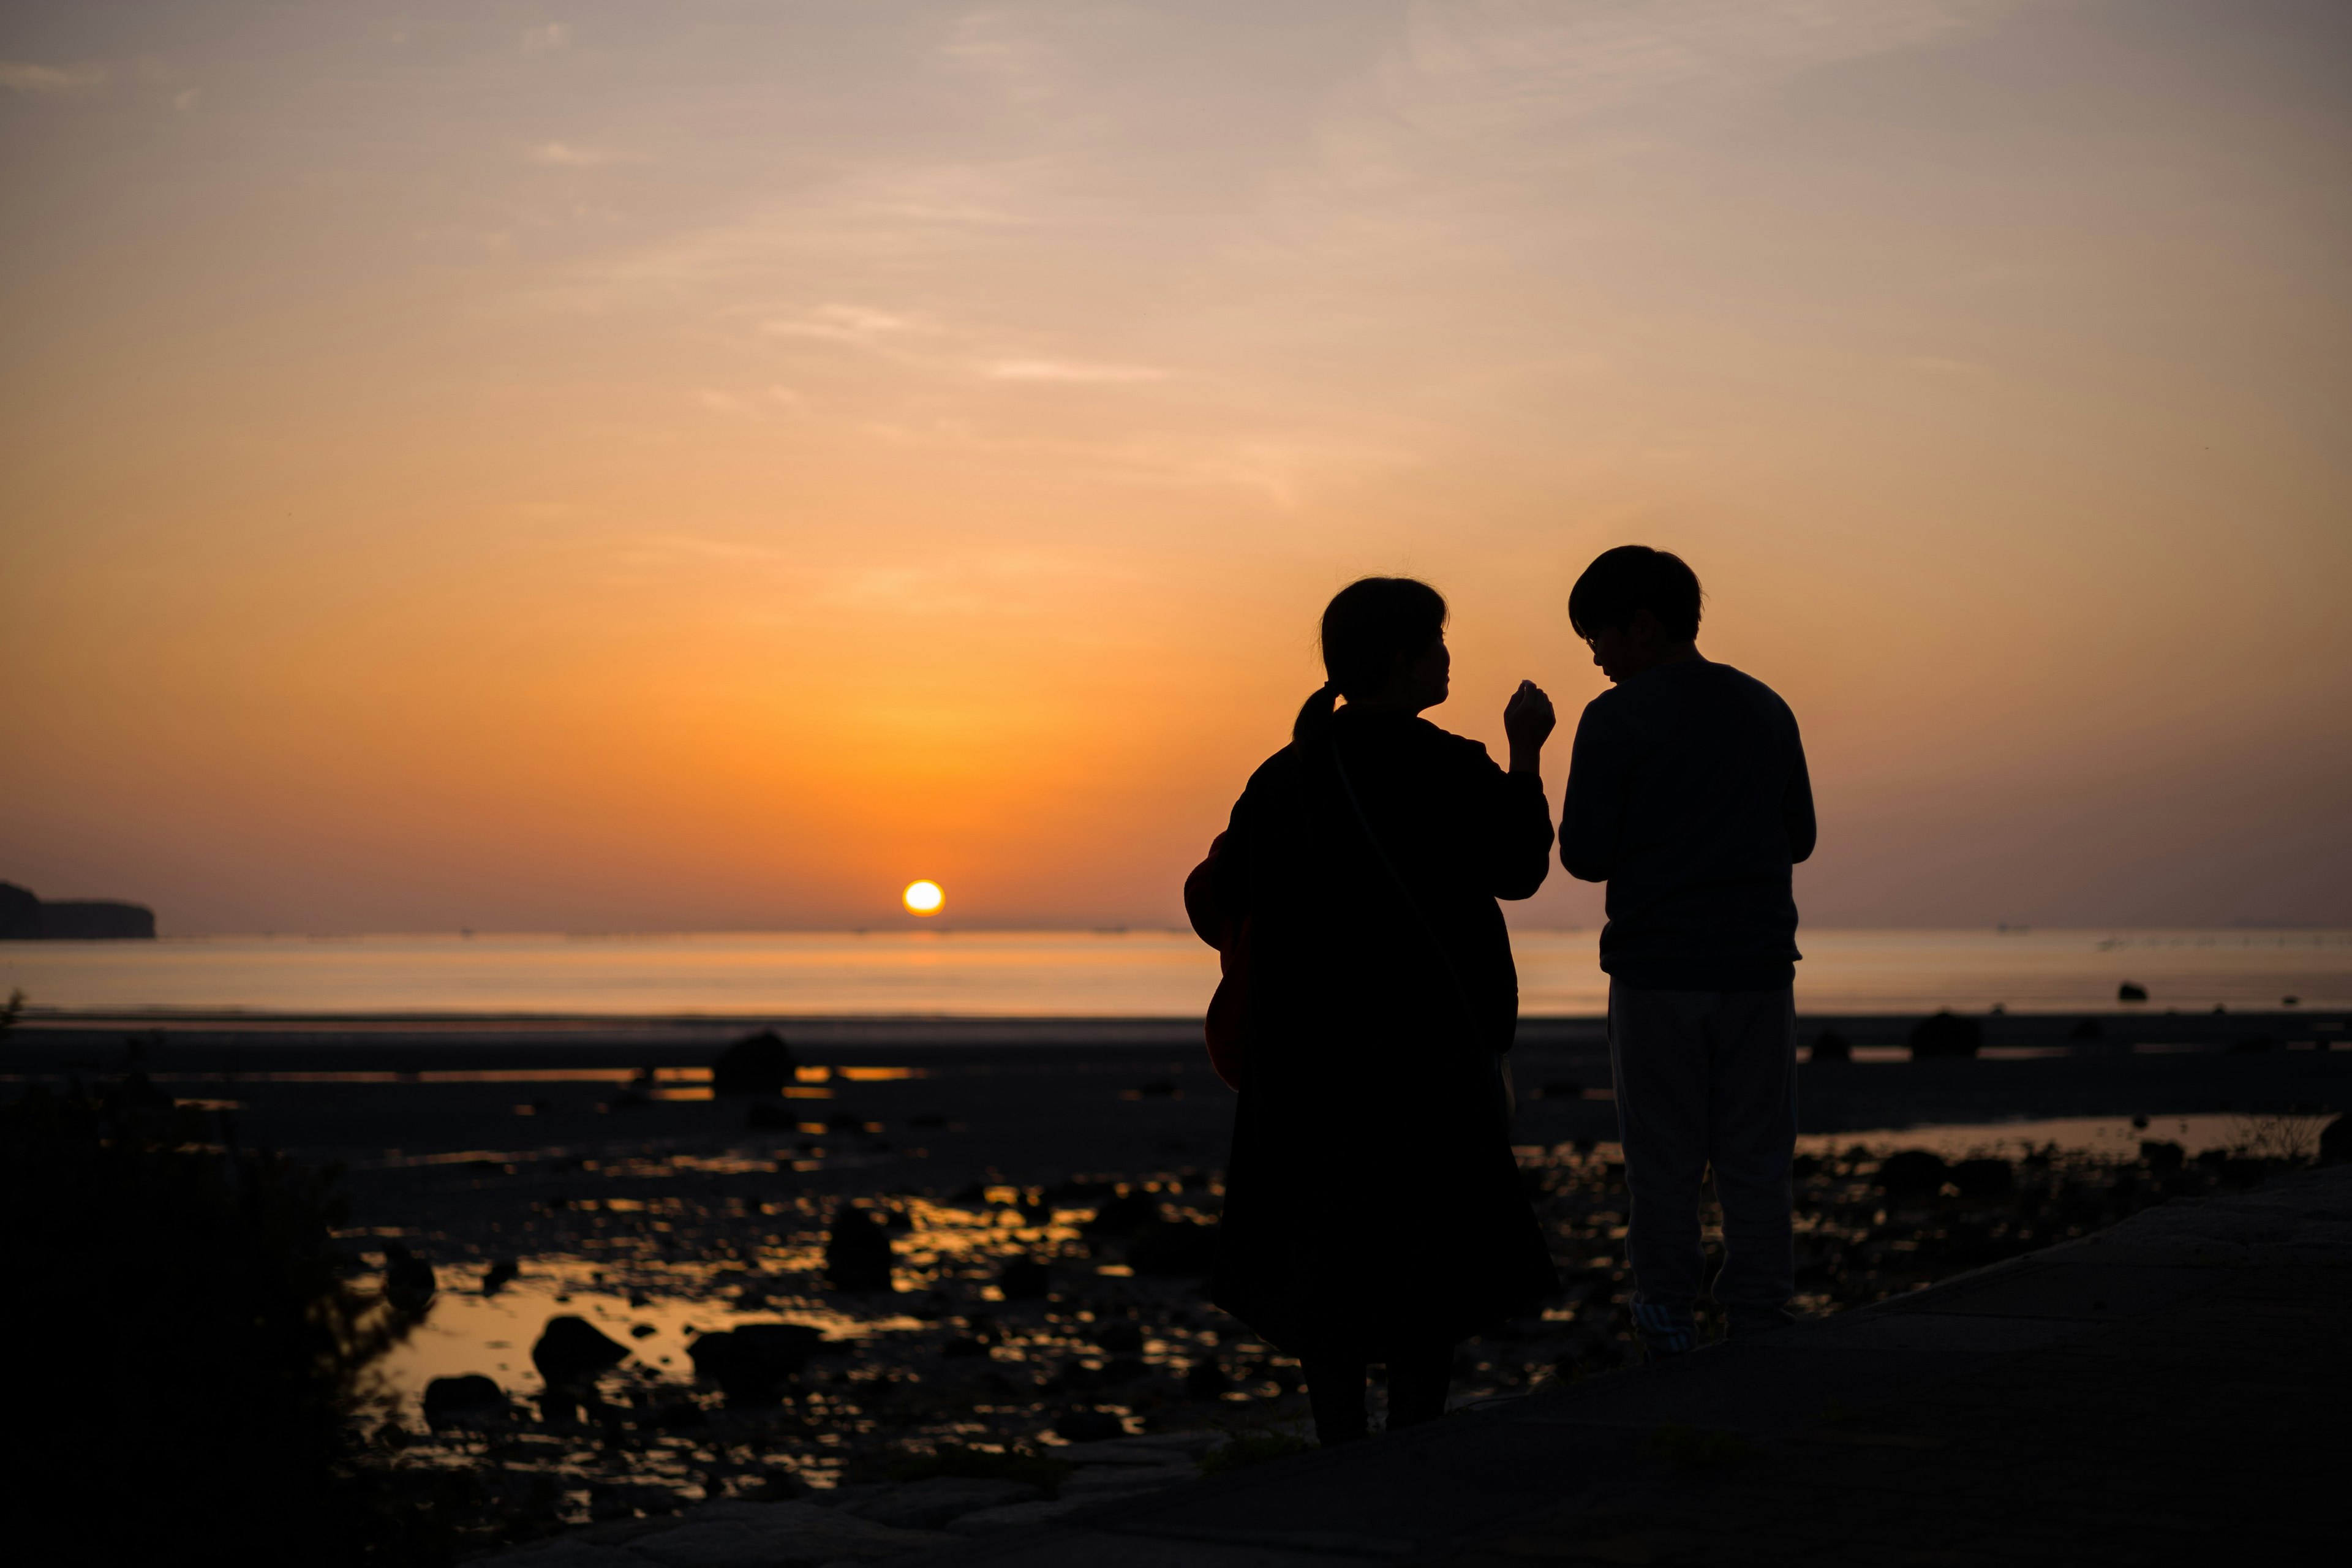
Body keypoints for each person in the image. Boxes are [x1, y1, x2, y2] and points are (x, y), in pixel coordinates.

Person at [1186, 576, 1560, 1444]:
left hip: (1302, 1057)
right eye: (1434, 642)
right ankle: (1416, 1440)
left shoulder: (1286, 774)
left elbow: (1223, 897)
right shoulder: (1448, 765)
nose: (1447, 657)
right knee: (1426, 1256)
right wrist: (1529, 754)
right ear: (1395, 656)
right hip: (1427, 1051)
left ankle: (1339, 1445)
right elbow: (1519, 868)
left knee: (1326, 1256)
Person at [1557, 546, 1816, 1358]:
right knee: (1756, 1159)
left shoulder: (1616, 718)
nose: (1595, 657)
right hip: (1757, 969)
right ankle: (1761, 1320)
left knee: (1663, 1161)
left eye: (1597, 637)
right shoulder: (1766, 708)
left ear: (1642, 624)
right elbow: (1800, 836)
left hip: (1656, 970)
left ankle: (1668, 1322)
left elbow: (1585, 853)